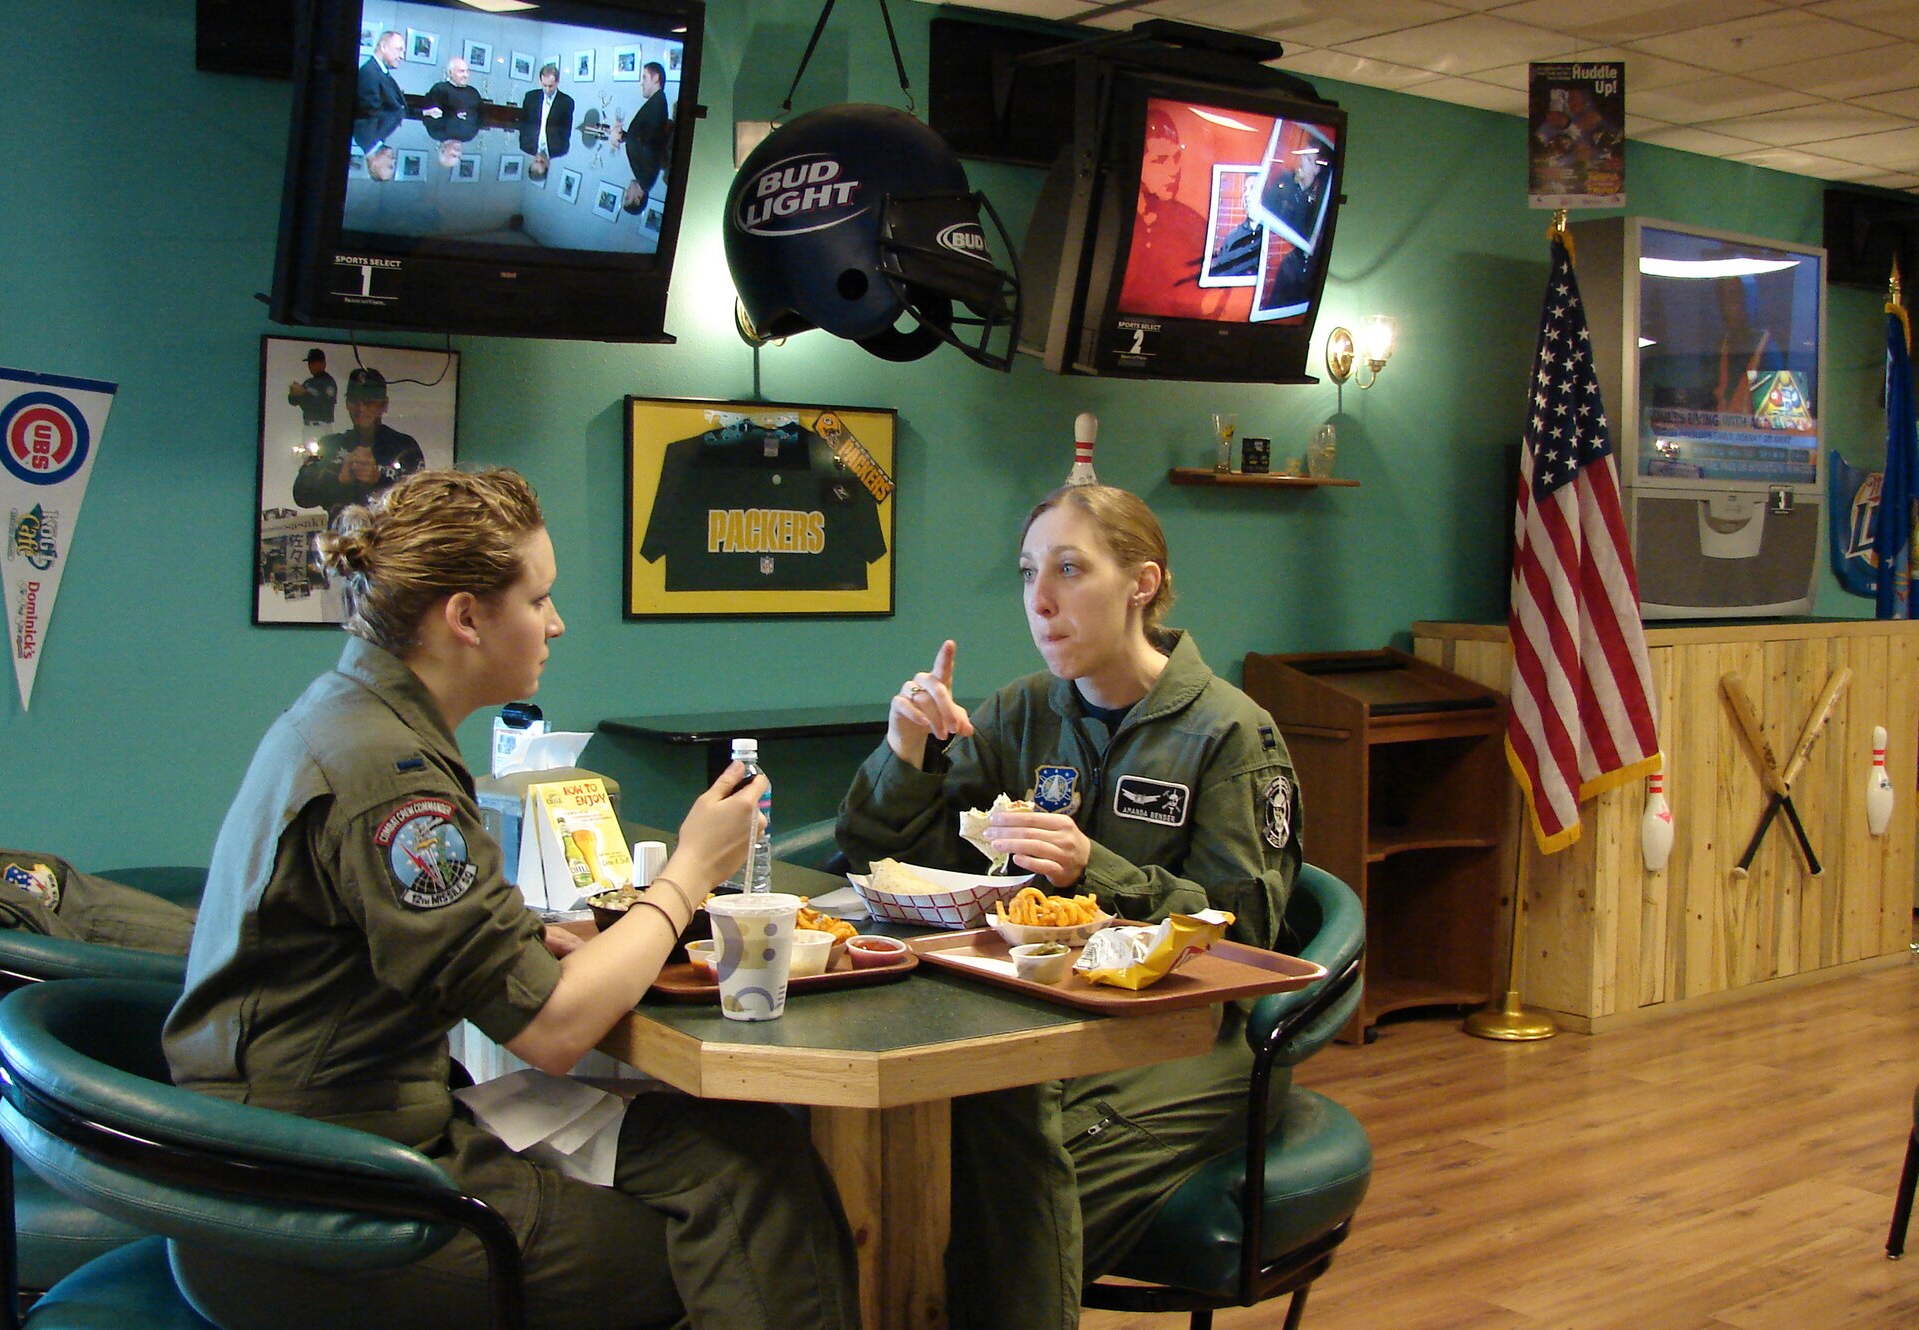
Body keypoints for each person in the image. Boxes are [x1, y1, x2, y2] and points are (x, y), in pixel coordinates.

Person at [163, 468, 861, 1330]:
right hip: (322, 1193)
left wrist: (532, 939)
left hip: (296, 1145)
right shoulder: (392, 779)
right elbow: (556, 1031)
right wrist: (690, 872)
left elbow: (392, 935)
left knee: (745, 1151)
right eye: (539, 599)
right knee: (744, 1236)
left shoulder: (347, 713)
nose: (556, 624)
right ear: (466, 617)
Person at [835, 483, 1302, 1330]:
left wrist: (1100, 868)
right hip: (1037, 1013)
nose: (1039, 601)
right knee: (919, 1147)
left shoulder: (1230, 733)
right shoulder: (1021, 711)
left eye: (1069, 569)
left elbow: (1249, 936)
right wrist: (905, 752)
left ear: (1142, 584)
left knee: (999, 1164)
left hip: (1187, 1037)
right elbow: (903, 868)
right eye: (1026, 573)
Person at [1114, 108, 1212, 320]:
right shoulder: (1111, 225)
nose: (1173, 169)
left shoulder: (1195, 227)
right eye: (1159, 160)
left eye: (1176, 157)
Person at [292, 367, 427, 516]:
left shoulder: (404, 446)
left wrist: (379, 480)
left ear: (384, 405)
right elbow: (302, 496)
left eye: (369, 402)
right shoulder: (330, 444)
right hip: (340, 537)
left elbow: (418, 505)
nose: (360, 408)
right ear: (347, 403)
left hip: (385, 537)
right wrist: (340, 480)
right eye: (354, 400)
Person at [612, 60, 672, 214]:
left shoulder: (657, 101)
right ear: (638, 198)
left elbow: (647, 140)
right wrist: (624, 137)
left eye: (644, 78)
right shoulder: (657, 102)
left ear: (655, 78)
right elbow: (649, 142)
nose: (642, 83)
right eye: (627, 197)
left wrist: (623, 137)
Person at [354, 28, 408, 155]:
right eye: (399, 50)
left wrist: (424, 112)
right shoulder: (369, 73)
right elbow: (371, 112)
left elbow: (398, 107)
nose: (402, 56)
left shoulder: (380, 73)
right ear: (383, 46)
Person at [1208, 174, 1266, 279]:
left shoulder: (1272, 236)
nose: (1246, 194)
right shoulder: (1232, 237)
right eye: (1245, 189)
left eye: (1252, 188)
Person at [519, 63, 574, 168]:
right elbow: (523, 122)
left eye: (551, 86)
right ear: (540, 81)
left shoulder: (567, 102)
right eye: (544, 85)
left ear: (557, 82)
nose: (547, 89)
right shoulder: (530, 97)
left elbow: (566, 129)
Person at [420, 56, 482, 142]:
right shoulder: (440, 89)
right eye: (461, 71)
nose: (465, 75)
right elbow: (431, 114)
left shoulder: (473, 92)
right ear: (450, 73)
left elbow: (481, 117)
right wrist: (453, 115)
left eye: (467, 72)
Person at [285, 348, 337, 432]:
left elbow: (325, 404)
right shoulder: (308, 383)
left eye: (313, 362)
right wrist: (293, 393)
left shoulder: (328, 382)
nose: (310, 366)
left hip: (322, 426)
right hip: (307, 427)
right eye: (309, 363)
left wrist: (304, 394)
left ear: (323, 363)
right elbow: (293, 402)